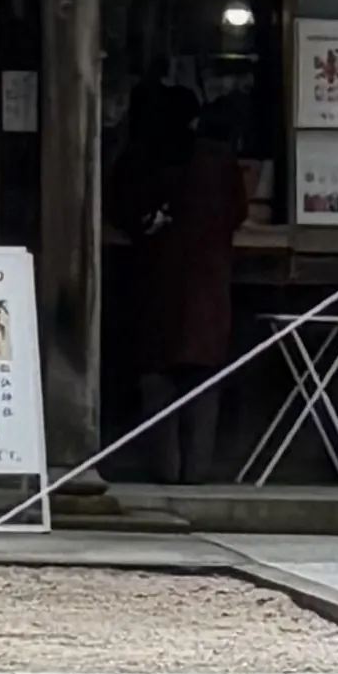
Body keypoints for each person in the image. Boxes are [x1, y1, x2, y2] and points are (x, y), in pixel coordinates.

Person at [106, 75, 248, 485]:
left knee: (157, 382)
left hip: (153, 282)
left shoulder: (137, 161)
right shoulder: (218, 161)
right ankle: (197, 473)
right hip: (208, 285)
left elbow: (120, 213)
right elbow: (236, 213)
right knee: (204, 380)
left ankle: (165, 470)